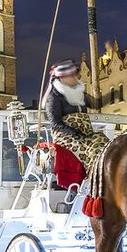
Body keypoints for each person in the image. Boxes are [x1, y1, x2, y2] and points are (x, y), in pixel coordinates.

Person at [40, 60, 97, 189]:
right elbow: (55, 123)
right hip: (66, 137)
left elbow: (96, 103)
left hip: (86, 133)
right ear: (63, 78)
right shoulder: (53, 98)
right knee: (92, 150)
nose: (75, 78)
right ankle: (90, 183)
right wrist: (75, 132)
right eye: (72, 75)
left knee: (104, 143)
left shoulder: (79, 95)